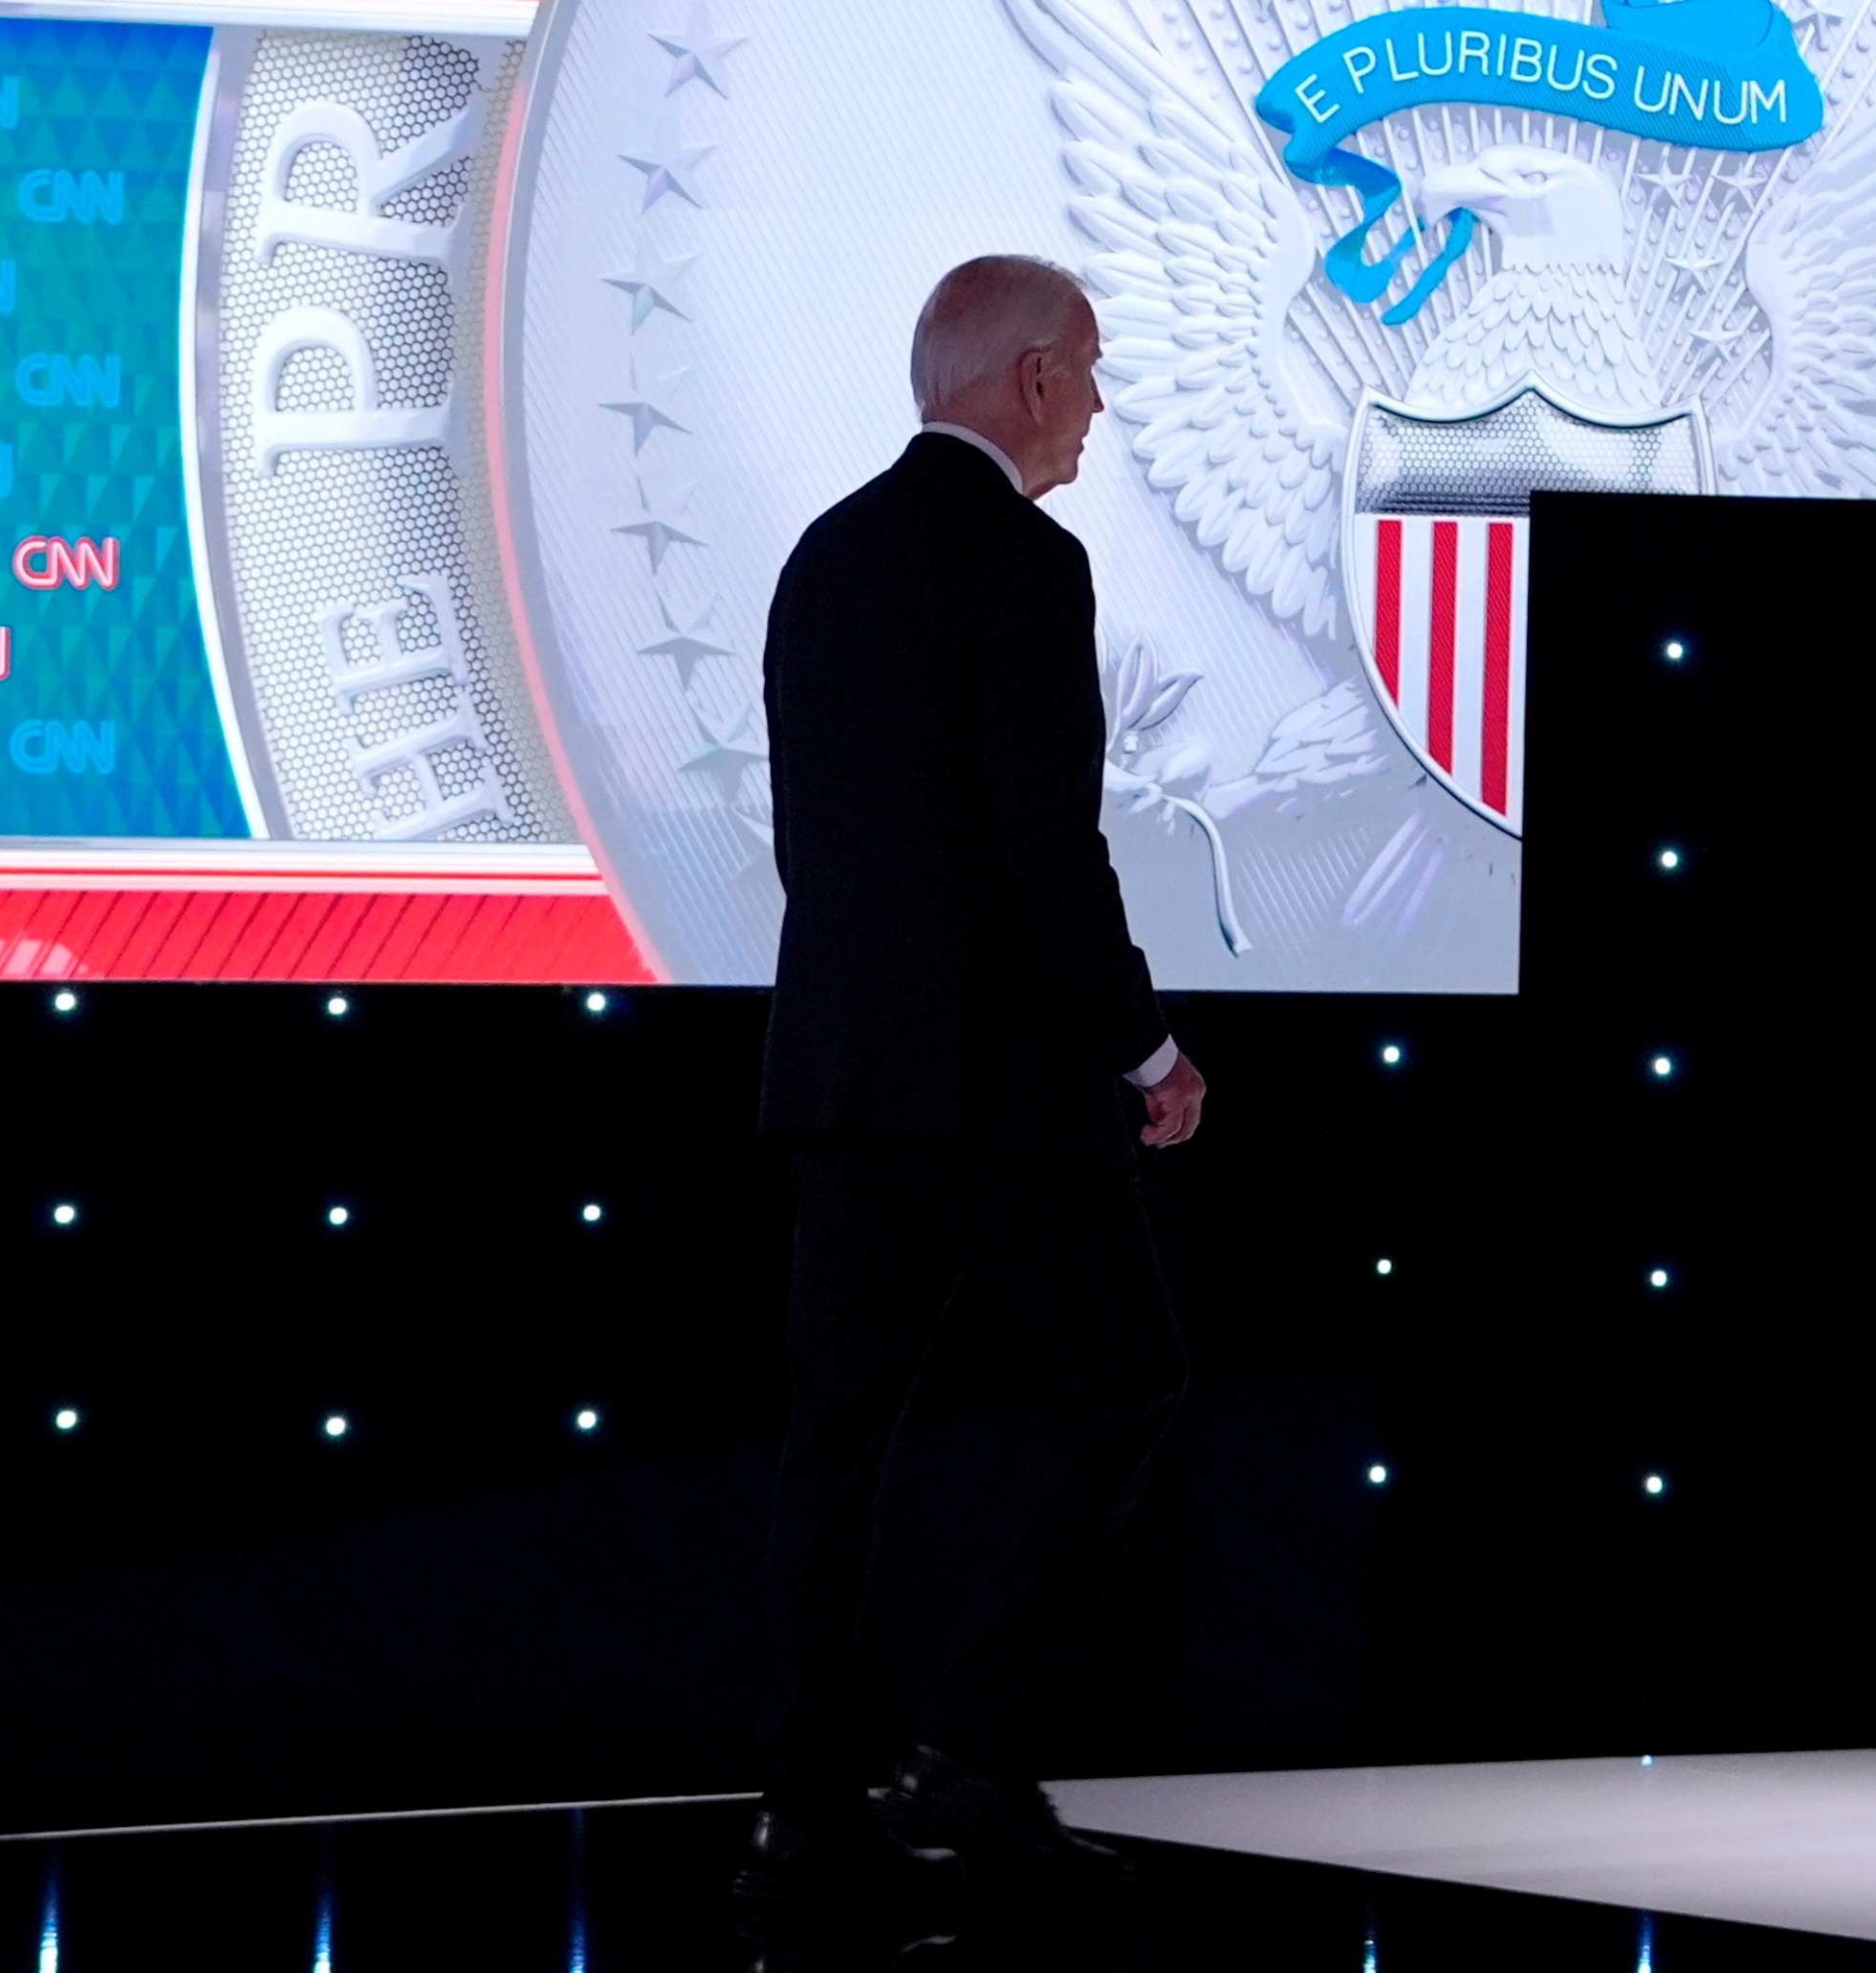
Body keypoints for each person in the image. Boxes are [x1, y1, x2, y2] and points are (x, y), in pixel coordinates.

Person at [734, 255, 1208, 1932]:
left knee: (834, 1443)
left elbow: (819, 841)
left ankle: (802, 1814)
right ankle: (972, 1750)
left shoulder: (824, 555)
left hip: (842, 1068)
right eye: (1087, 369)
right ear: (1021, 379)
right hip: (992, 1084)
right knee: (1124, 1375)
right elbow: (1044, 846)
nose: (1097, 400)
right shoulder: (1022, 559)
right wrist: (1144, 1049)